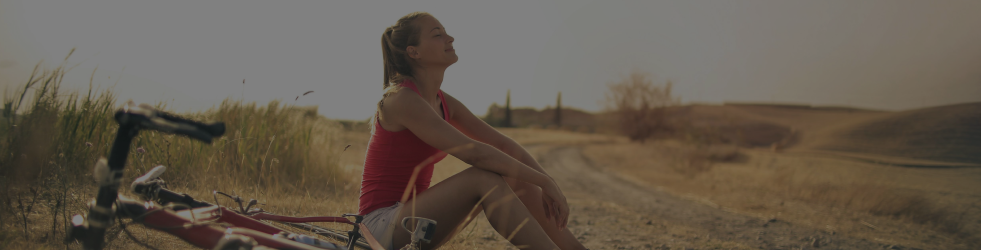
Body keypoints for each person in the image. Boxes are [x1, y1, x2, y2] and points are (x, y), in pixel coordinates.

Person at [358, 11, 587, 250]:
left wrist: (546, 182)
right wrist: (544, 181)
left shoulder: (442, 102)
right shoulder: (401, 100)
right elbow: (476, 153)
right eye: (438, 35)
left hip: (415, 223)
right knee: (482, 176)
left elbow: (504, 145)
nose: (450, 38)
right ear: (413, 52)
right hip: (378, 228)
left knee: (516, 175)